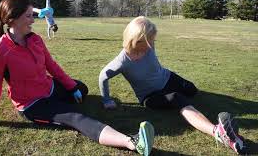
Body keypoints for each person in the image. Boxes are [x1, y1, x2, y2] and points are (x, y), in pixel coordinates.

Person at [0, 0, 154, 156]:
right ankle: (133, 142)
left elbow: (52, 66)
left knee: (81, 88)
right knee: (77, 117)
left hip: (49, 87)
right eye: (28, 16)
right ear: (12, 20)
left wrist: (71, 87)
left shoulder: (35, 40)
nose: (33, 20)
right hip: (33, 104)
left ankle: (68, 98)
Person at [99, 16, 246, 154]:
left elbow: (143, 24)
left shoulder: (149, 46)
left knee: (192, 90)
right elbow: (103, 76)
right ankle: (218, 132)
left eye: (152, 40)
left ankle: (204, 117)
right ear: (137, 40)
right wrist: (107, 100)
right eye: (149, 40)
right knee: (177, 98)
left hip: (168, 78)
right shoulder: (121, 62)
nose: (151, 44)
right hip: (150, 96)